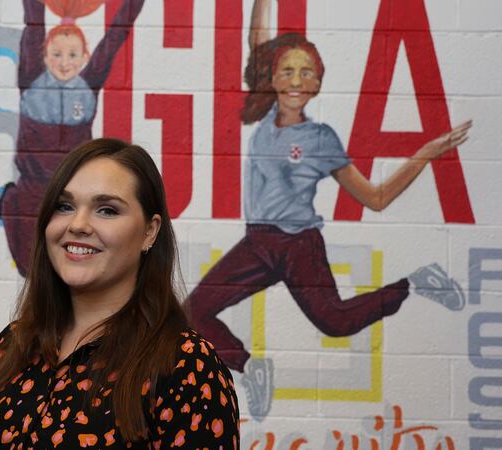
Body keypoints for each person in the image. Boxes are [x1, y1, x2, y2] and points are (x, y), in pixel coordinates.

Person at [187, 0, 472, 422]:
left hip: (298, 245)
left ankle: (413, 283)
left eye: (307, 72)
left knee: (335, 323)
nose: (296, 79)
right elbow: (257, 41)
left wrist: (424, 155)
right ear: (273, 77)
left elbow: (375, 198)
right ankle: (251, 367)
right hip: (257, 242)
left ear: (318, 82)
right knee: (190, 314)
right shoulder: (265, 112)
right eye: (287, 70)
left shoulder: (321, 138)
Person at [0, 138, 240, 449]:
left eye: (107, 210)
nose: (78, 224)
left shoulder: (186, 366)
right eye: (64, 206)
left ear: (149, 231)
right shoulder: (12, 344)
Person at [0, 0, 145, 277]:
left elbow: (115, 37)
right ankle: (10, 203)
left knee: (68, 274)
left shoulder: (88, 86)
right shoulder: (31, 80)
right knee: (30, 269)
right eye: (56, 54)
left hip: (72, 196)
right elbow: (33, 22)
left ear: (84, 58)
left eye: (72, 55)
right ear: (44, 56)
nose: (64, 62)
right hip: (31, 193)